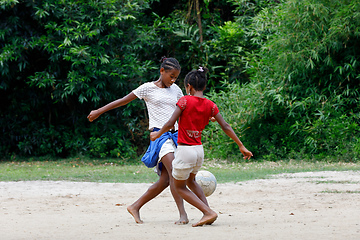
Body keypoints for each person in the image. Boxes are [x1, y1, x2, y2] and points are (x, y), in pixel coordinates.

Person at [87, 57, 189, 225]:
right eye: (171, 76)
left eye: (176, 77)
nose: (173, 80)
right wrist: (99, 111)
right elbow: (123, 101)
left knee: (165, 180)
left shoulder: (176, 90)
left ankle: (135, 206)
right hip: (159, 136)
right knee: (174, 172)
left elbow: (184, 110)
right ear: (162, 71)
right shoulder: (147, 88)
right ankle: (183, 214)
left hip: (175, 136)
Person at [150, 66, 253, 227]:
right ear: (204, 87)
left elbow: (170, 123)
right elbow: (225, 126)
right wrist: (241, 145)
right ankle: (208, 212)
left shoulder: (184, 101)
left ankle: (208, 212)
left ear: (188, 87)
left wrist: (157, 134)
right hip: (199, 151)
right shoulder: (210, 105)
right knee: (191, 182)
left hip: (185, 150)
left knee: (179, 187)